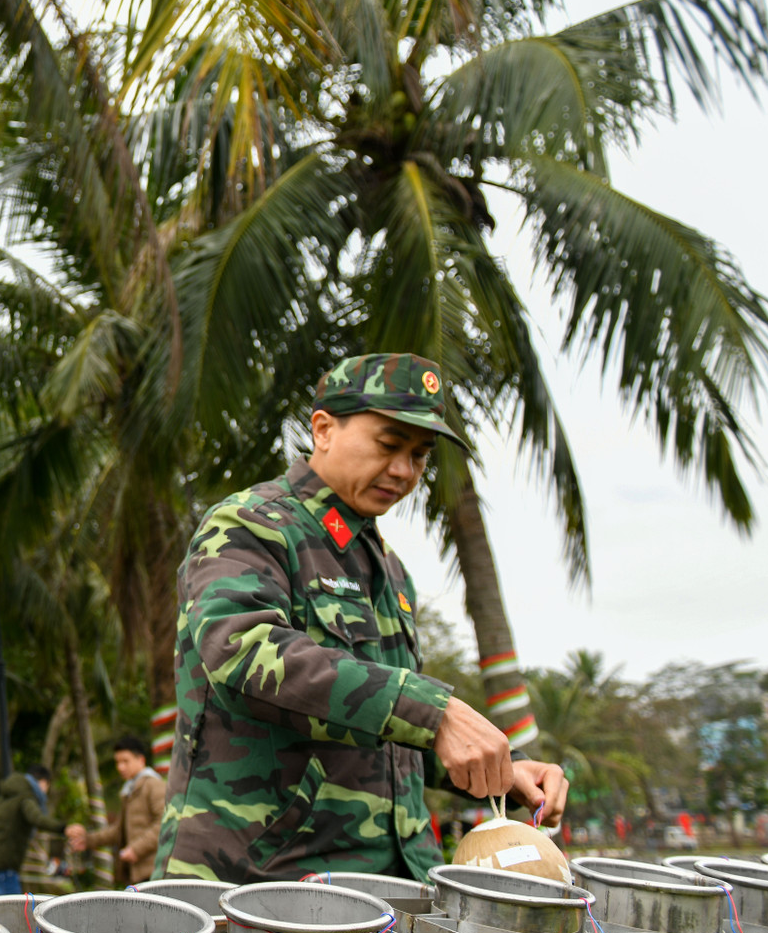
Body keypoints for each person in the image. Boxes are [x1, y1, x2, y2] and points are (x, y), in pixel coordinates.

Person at [156, 353, 567, 884]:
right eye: (388, 445)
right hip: (262, 884)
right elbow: (241, 653)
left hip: (392, 884)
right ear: (323, 429)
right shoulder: (253, 525)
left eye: (420, 455)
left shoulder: (388, 568)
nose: (404, 471)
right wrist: (434, 711)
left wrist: (499, 772)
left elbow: (382, 734)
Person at [71, 735, 166, 886]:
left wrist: (136, 849)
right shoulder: (130, 790)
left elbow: (165, 824)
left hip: (155, 872)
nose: (120, 767)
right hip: (137, 873)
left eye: (125, 761)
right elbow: (118, 831)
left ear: (141, 760)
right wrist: (89, 840)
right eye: (117, 762)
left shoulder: (153, 785)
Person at [0, 766, 83, 895]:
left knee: (1, 910)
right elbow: (37, 819)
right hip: (6, 868)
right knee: (12, 911)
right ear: (43, 782)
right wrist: (63, 828)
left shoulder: (1, 798)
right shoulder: (26, 797)